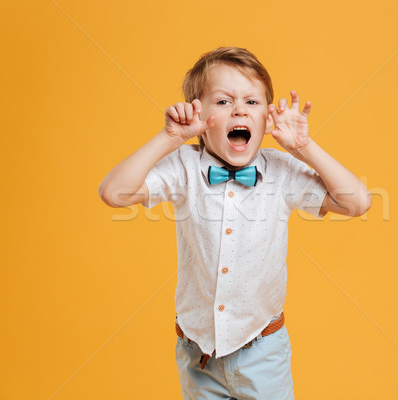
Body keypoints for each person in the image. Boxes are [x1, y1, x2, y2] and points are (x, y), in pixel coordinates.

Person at [98, 46, 371, 399]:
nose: (239, 109)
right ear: (198, 115)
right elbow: (113, 192)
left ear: (266, 120)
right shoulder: (184, 166)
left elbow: (359, 202)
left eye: (252, 103)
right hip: (199, 354)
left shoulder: (281, 171)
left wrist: (304, 148)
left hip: (262, 350)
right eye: (223, 102)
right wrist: (169, 138)